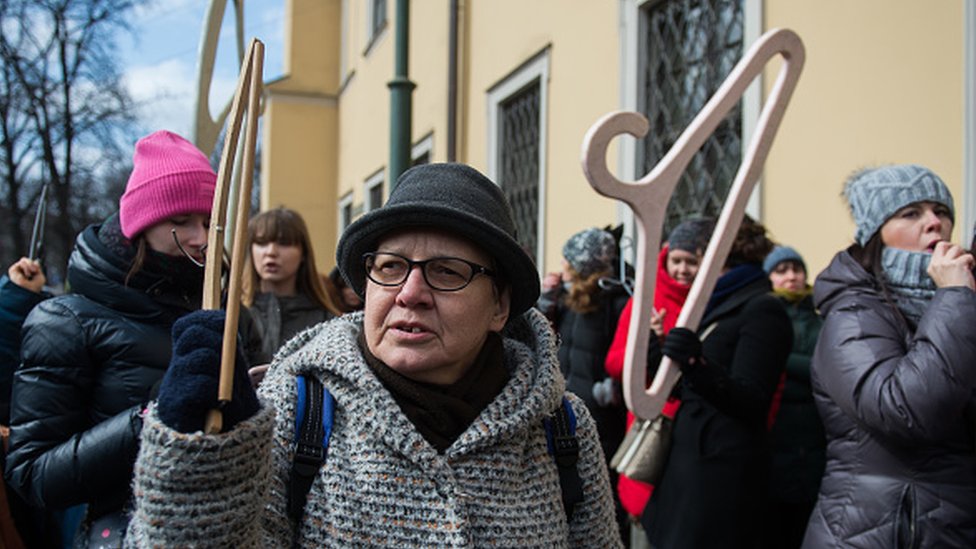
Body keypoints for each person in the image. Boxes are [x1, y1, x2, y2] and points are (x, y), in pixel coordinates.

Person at [124, 163, 623, 547]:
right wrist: (196, 476)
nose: (410, 293)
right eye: (390, 266)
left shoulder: (563, 427)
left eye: (447, 271)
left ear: (500, 306)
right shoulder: (294, 410)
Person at [4, 130, 267, 547]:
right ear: (141, 225)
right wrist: (153, 418)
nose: (200, 237)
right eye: (180, 222)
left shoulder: (231, 314)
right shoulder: (65, 320)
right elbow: (35, 476)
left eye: (207, 222)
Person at [802, 165, 976, 548]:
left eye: (941, 211)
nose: (934, 223)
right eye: (910, 213)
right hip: (886, 531)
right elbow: (905, 411)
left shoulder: (959, 302)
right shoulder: (854, 313)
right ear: (875, 233)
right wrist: (954, 298)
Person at [640, 216, 792, 549]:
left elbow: (752, 398)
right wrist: (658, 349)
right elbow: (690, 388)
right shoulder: (719, 304)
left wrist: (695, 362)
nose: (692, 270)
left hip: (719, 474)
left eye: (700, 258)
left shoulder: (762, 309)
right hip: (688, 466)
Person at [604, 217, 714, 549]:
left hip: (700, 427)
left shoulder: (714, 297)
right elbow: (615, 362)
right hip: (658, 424)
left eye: (691, 262)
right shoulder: (647, 299)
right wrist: (653, 345)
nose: (682, 270)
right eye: (676, 261)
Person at [537, 227, 630, 540]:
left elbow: (628, 354)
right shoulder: (568, 297)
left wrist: (611, 389)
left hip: (603, 417)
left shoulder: (615, 301)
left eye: (568, 261)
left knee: (603, 498)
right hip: (567, 411)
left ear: (582, 265)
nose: (562, 266)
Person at [761, 245, 825, 549]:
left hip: (814, 436)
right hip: (776, 434)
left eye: (796, 269)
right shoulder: (763, 316)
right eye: (781, 270)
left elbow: (824, 369)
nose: (791, 277)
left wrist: (784, 359)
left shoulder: (820, 319)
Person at [244, 207, 342, 359]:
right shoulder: (234, 316)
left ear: (303, 253)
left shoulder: (327, 323)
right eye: (261, 242)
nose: (270, 252)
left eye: (284, 243)